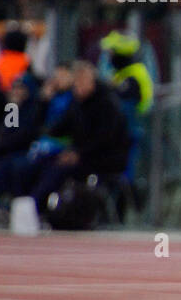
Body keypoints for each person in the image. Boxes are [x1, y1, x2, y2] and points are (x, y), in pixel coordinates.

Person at [24, 61, 130, 213]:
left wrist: (78, 154)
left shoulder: (108, 104)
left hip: (105, 159)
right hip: (81, 153)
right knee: (40, 162)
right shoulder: (76, 103)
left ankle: (37, 208)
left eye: (82, 81)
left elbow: (105, 139)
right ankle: (28, 205)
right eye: (76, 82)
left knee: (59, 170)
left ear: (92, 81)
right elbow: (59, 128)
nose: (78, 86)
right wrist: (43, 103)